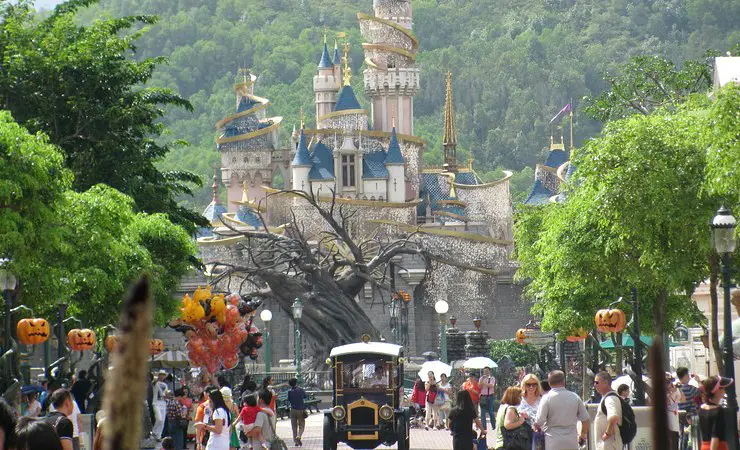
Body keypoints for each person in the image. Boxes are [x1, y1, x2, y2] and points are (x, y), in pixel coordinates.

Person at [534, 370, 590, 450]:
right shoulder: (575, 397)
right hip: (571, 440)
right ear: (564, 381)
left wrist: (536, 426)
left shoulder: (546, 398)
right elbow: (586, 418)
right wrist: (583, 434)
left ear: (549, 383)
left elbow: (539, 421)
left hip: (553, 440)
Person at [698, 375, 733, 450]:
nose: (724, 390)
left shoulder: (701, 408)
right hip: (718, 447)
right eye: (722, 388)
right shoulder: (718, 410)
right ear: (717, 391)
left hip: (704, 446)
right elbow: (715, 436)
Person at [593, 371, 622, 450]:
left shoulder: (610, 398)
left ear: (605, 383)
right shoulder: (608, 397)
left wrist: (606, 434)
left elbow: (614, 417)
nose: (595, 385)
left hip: (609, 444)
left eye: (597, 382)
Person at [677, 367, 700, 450]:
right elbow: (702, 393)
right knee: (689, 438)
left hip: (679, 416)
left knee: (681, 436)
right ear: (686, 375)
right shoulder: (691, 389)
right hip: (690, 416)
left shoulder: (675, 389)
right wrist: (698, 381)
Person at [666, 373, 685, 450]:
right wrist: (670, 393)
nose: (668, 384)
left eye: (669, 382)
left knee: (675, 436)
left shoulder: (676, 391)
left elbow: (683, 400)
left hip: (674, 415)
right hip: (665, 416)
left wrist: (679, 389)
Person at [287, 378, 307, 446]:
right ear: (296, 382)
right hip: (300, 409)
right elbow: (304, 397)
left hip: (292, 410)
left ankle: (296, 442)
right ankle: (299, 436)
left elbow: (289, 400)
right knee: (301, 425)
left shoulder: (289, 391)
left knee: (294, 426)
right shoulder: (300, 390)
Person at [152, 370, 169, 441]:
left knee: (162, 421)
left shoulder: (165, 385)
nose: (162, 376)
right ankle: (154, 432)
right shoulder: (155, 383)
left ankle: (158, 435)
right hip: (156, 403)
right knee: (159, 419)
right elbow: (154, 382)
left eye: (163, 375)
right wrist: (155, 376)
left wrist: (167, 397)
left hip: (163, 403)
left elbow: (166, 395)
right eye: (161, 375)